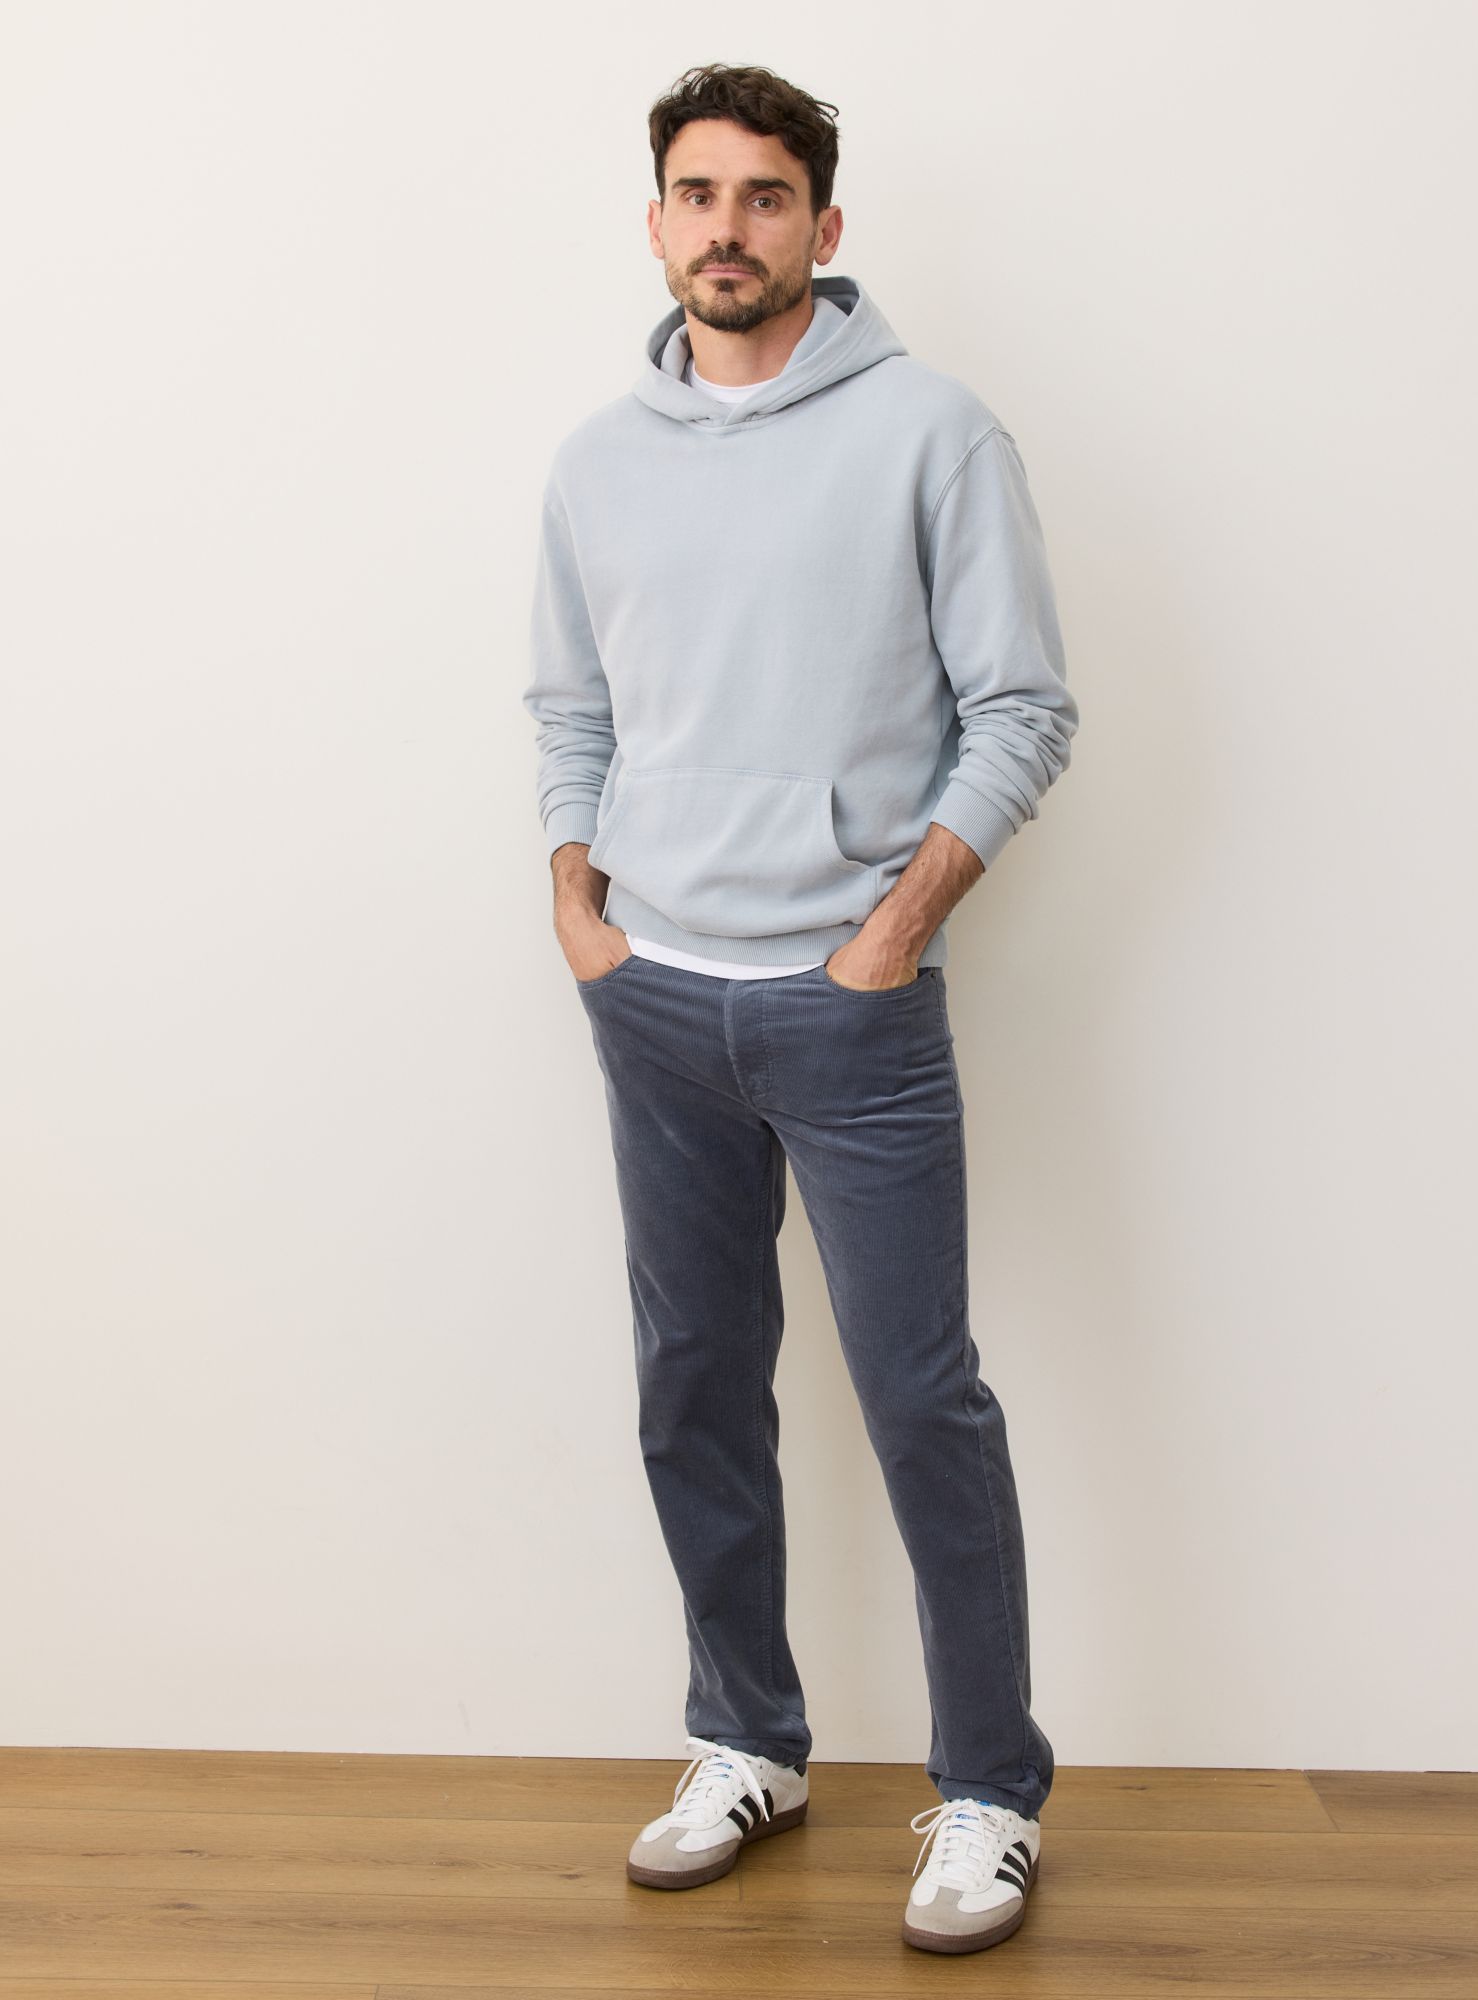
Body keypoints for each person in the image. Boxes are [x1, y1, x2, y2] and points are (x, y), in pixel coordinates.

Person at [521, 61, 1078, 1956]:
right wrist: (579, 900)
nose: (728, 227)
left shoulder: (933, 431)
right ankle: (745, 1739)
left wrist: (893, 926)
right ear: (654, 221)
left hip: (852, 1007)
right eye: (697, 193)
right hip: (655, 998)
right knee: (692, 1384)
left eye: (766, 196)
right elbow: (571, 707)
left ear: (822, 228)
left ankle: (989, 1789)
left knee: (920, 1398)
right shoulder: (595, 461)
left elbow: (1023, 706)